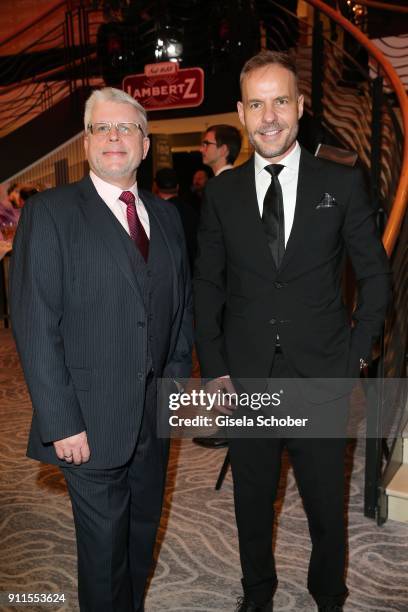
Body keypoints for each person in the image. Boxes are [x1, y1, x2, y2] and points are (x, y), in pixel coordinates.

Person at [194, 51, 390, 612]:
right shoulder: (222, 194)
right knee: (252, 499)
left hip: (322, 372)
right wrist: (217, 367)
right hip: (248, 375)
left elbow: (375, 278)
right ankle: (258, 592)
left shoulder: (342, 182)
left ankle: (329, 595)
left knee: (326, 503)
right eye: (256, 104)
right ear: (241, 112)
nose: (270, 116)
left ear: (301, 106)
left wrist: (355, 356)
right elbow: (207, 284)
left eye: (280, 100)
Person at [10, 87, 193, 612]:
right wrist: (61, 419)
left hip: (152, 419)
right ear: (86, 141)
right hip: (85, 422)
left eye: (127, 128)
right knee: (103, 550)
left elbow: (180, 313)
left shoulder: (168, 216)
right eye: (102, 128)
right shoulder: (50, 213)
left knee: (139, 535)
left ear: (146, 142)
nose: (115, 137)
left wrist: (175, 393)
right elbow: (35, 324)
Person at [155, 167, 199, 273]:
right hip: (190, 272)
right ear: (178, 187)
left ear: (156, 187)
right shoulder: (191, 211)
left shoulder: (152, 213)